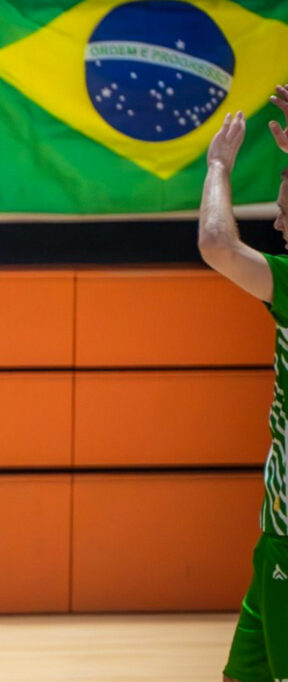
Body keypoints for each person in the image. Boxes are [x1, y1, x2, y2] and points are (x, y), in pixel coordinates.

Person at [198, 86, 288, 682]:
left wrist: (217, 168)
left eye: (284, 205)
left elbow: (216, 243)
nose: (278, 217)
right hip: (274, 530)